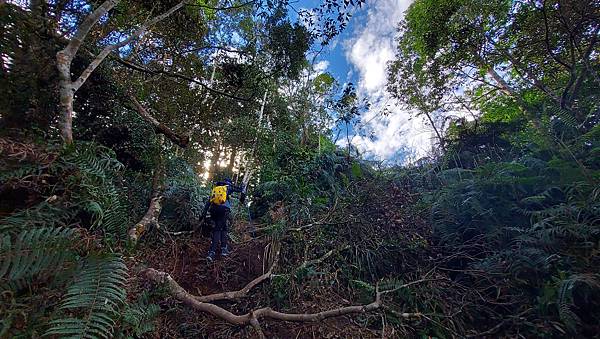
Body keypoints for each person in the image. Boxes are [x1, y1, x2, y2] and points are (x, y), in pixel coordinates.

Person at [201, 178, 246, 262]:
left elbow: (208, 202)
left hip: (213, 210)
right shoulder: (228, 187)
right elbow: (239, 190)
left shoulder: (215, 189)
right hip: (223, 210)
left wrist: (203, 215)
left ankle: (224, 248)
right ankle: (212, 252)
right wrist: (243, 187)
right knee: (217, 229)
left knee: (224, 227)